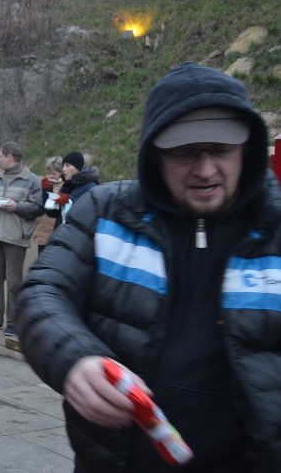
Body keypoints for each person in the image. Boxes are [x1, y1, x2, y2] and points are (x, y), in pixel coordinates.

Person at [15, 62, 281, 471]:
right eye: (184, 152)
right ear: (154, 154)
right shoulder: (105, 212)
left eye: (222, 150)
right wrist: (75, 357)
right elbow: (42, 292)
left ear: (247, 148)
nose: (206, 169)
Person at [0, 142, 43, 337]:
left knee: (14, 283)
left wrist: (16, 206)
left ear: (10, 157)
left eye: (0, 156)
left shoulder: (31, 180)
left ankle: (13, 322)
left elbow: (38, 208)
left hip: (16, 236)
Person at [44, 150, 99, 228]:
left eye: (67, 165)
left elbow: (89, 214)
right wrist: (47, 191)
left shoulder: (91, 186)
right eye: (63, 165)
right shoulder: (67, 185)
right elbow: (52, 213)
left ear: (77, 168)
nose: (63, 169)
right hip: (61, 234)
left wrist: (69, 200)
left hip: (76, 237)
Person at [31, 156, 63, 254]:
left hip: (57, 231)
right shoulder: (45, 185)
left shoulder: (66, 187)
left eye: (54, 173)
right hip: (43, 232)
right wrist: (45, 189)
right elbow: (41, 206)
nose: (51, 176)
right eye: (49, 173)